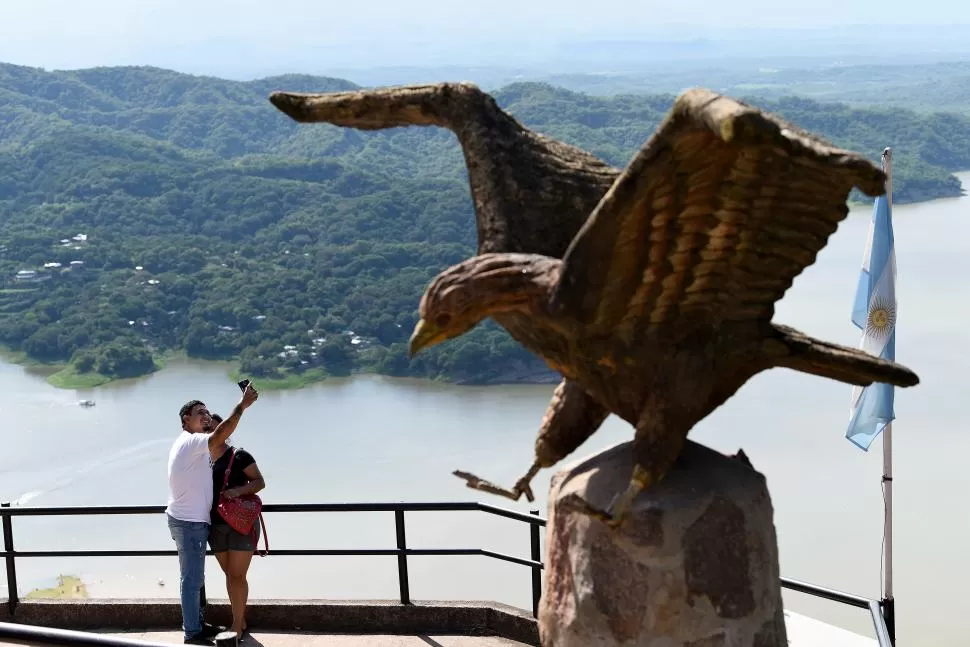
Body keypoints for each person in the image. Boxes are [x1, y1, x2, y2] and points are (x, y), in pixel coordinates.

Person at [166, 383, 258, 645]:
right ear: (186, 420)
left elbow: (220, 443)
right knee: (192, 579)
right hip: (189, 522)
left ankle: (197, 624)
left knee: (196, 579)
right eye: (200, 413)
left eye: (207, 412)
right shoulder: (191, 441)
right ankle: (192, 632)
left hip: (192, 521)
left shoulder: (194, 446)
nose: (206, 416)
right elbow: (220, 435)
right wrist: (242, 406)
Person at [206, 412, 266, 641]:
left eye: (217, 428)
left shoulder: (239, 456)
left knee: (237, 575)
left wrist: (238, 491)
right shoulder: (200, 458)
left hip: (241, 524)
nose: (213, 432)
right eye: (208, 429)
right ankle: (240, 619)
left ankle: (237, 625)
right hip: (214, 525)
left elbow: (259, 481)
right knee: (230, 574)